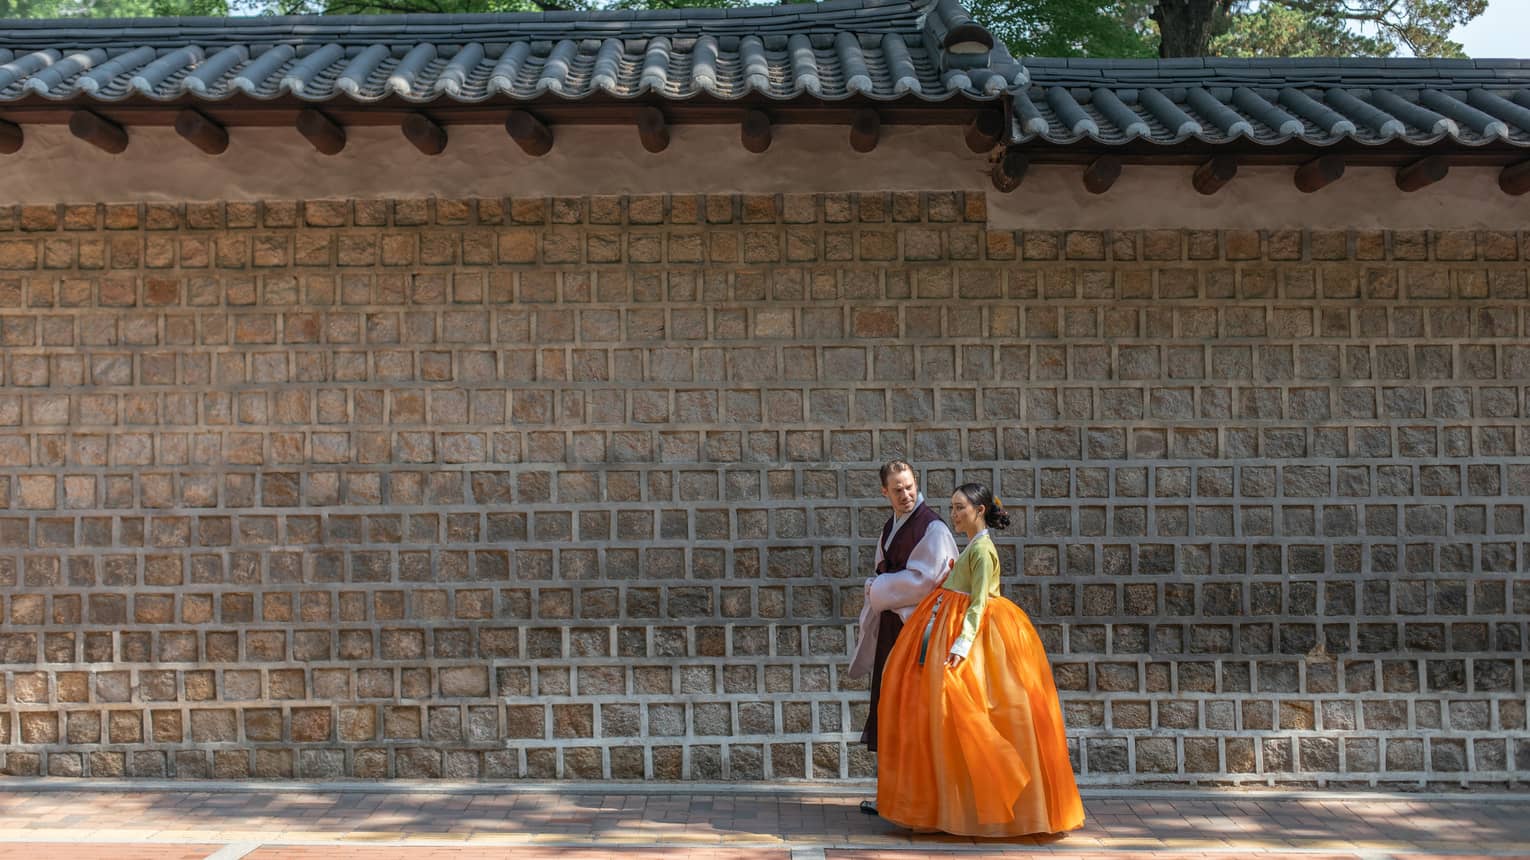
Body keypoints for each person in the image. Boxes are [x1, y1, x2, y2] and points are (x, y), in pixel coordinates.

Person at [874, 482, 1085, 837]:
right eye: (953, 507)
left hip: (971, 636)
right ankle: (951, 803)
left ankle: (994, 793)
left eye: (959, 508)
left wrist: (960, 645)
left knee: (966, 713)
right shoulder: (973, 546)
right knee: (948, 719)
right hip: (950, 628)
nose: (953, 514)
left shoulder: (983, 550)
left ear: (979, 510)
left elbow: (980, 603)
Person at [848, 460, 958, 815]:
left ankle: (921, 799)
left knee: (914, 712)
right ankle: (894, 796)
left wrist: (878, 587)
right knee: (890, 709)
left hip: (918, 631)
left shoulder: (933, 528)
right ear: (885, 492)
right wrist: (880, 586)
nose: (906, 494)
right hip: (896, 629)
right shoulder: (892, 526)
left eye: (909, 486)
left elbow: (925, 581)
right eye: (897, 489)